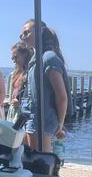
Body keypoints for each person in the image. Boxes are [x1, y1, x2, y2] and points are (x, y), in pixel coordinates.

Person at [19, 20, 69, 152]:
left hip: (41, 120)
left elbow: (61, 96)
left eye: (26, 32)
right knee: (29, 160)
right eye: (21, 35)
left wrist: (60, 123)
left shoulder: (48, 58)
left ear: (40, 31)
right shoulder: (35, 59)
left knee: (40, 163)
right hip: (31, 117)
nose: (23, 37)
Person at [6, 42, 32, 122]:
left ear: (25, 55)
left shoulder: (31, 73)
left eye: (16, 57)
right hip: (13, 111)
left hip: (24, 112)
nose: (14, 61)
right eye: (12, 58)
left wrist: (20, 103)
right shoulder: (14, 74)